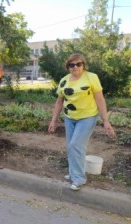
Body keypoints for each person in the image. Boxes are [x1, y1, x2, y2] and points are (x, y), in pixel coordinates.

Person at [48, 53, 116, 191]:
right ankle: (74, 173)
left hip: (87, 117)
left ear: (83, 65)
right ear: (68, 67)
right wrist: (53, 120)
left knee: (76, 145)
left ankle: (79, 178)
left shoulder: (91, 77)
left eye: (79, 64)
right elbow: (59, 101)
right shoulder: (64, 80)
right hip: (69, 117)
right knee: (71, 147)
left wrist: (106, 121)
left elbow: (100, 99)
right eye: (72, 65)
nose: (75, 67)